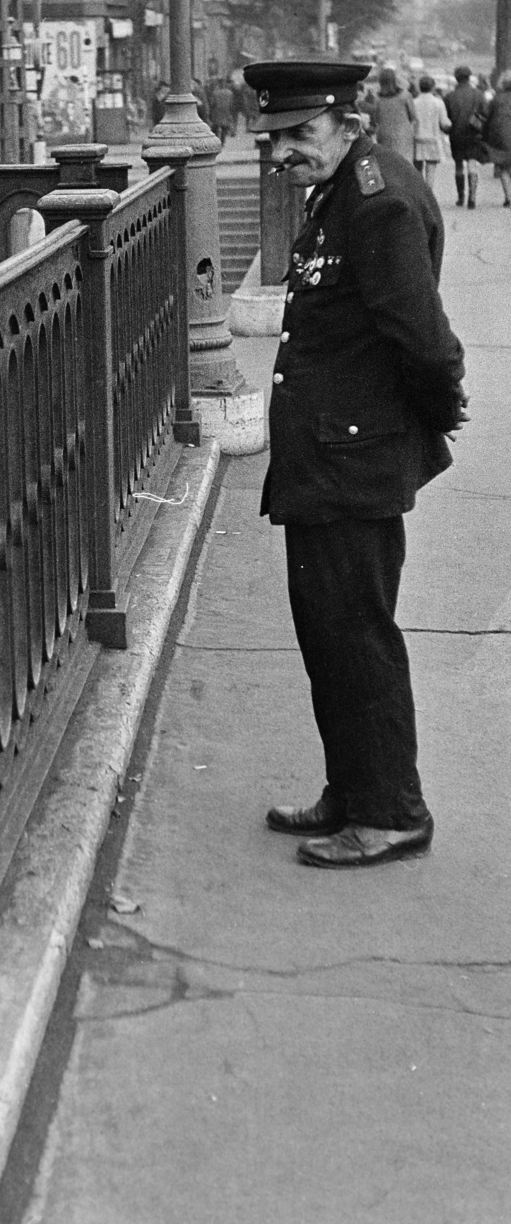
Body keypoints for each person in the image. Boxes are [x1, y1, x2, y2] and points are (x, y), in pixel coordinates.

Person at [242, 58, 467, 869]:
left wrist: (430, 423)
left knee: (356, 635)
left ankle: (390, 811)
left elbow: (424, 340)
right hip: (328, 455)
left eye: (300, 134)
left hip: (353, 459)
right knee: (327, 633)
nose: (282, 153)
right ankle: (351, 790)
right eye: (274, 138)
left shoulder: (377, 203)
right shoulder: (343, 190)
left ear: (347, 122)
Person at [443, 64, 488, 208]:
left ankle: (460, 196)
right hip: (474, 133)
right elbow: (485, 114)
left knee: (458, 165)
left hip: (456, 134)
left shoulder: (450, 96)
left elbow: (446, 118)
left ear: (456, 78)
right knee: (472, 164)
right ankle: (472, 198)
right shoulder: (479, 94)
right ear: (469, 77)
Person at [412, 73, 451, 190]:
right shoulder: (438, 103)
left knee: (417, 171)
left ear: (420, 87)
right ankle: (429, 196)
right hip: (433, 140)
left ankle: (418, 196)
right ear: (432, 87)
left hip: (416, 140)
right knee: (430, 171)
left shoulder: (414, 102)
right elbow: (445, 123)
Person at [370, 65, 417, 161]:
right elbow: (413, 116)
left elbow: (376, 119)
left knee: (388, 162)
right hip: (403, 134)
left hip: (384, 134)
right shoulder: (405, 96)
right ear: (395, 80)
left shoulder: (378, 99)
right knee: (404, 163)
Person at [482, 68, 511, 208]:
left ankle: (508, 197)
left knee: (504, 167)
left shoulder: (497, 99)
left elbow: (487, 117)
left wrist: (485, 135)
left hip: (501, 136)